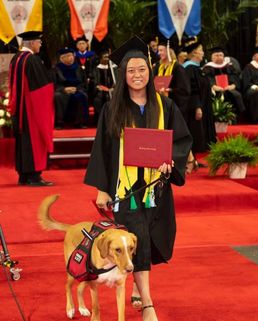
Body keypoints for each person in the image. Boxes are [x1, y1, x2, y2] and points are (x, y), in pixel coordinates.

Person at [84, 35, 192, 321]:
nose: (136, 75)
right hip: (126, 190)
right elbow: (103, 150)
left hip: (155, 188)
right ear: (123, 74)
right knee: (139, 235)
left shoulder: (164, 106)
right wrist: (102, 188)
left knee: (150, 239)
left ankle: (137, 287)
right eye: (130, 70)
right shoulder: (113, 108)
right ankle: (147, 304)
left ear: (149, 71)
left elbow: (180, 140)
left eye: (141, 69)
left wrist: (172, 163)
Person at [8, 31, 54, 186]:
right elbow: (41, 89)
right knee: (34, 141)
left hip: (21, 110)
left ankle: (24, 175)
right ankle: (34, 176)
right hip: (32, 109)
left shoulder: (17, 58)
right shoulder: (32, 60)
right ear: (32, 43)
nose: (40, 45)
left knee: (24, 141)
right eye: (39, 42)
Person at [182, 38, 217, 170]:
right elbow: (192, 90)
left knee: (198, 133)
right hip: (194, 108)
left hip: (202, 105)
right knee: (194, 132)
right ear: (194, 53)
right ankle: (191, 160)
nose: (203, 53)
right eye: (201, 51)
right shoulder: (190, 69)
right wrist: (197, 106)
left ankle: (194, 159)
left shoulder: (197, 69)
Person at [203, 47, 245, 118]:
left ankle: (235, 117)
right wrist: (213, 86)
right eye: (216, 55)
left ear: (223, 56)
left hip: (229, 88)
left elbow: (235, 78)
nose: (219, 57)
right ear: (212, 57)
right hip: (215, 90)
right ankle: (218, 118)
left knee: (236, 95)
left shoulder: (229, 66)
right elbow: (207, 79)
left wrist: (232, 85)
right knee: (219, 96)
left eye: (220, 55)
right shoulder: (207, 68)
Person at [52, 47, 89, 129]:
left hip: (77, 89)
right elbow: (54, 83)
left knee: (82, 96)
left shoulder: (78, 68)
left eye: (72, 56)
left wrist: (76, 89)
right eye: (68, 56)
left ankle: (81, 122)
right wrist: (64, 89)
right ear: (62, 58)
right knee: (57, 96)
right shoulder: (56, 69)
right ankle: (59, 122)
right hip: (62, 90)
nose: (71, 58)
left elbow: (83, 83)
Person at [92, 49, 117, 125]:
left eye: (108, 57)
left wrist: (114, 88)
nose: (107, 58)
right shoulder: (96, 69)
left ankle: (114, 120)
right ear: (100, 59)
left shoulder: (114, 68)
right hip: (101, 91)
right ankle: (100, 120)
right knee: (98, 99)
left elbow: (118, 80)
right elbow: (95, 82)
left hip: (114, 90)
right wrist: (98, 87)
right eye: (105, 57)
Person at [74, 35, 97, 103]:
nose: (81, 45)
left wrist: (90, 77)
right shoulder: (74, 56)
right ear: (77, 46)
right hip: (78, 80)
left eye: (83, 43)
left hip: (91, 79)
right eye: (79, 44)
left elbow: (95, 68)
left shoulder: (93, 55)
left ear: (87, 45)